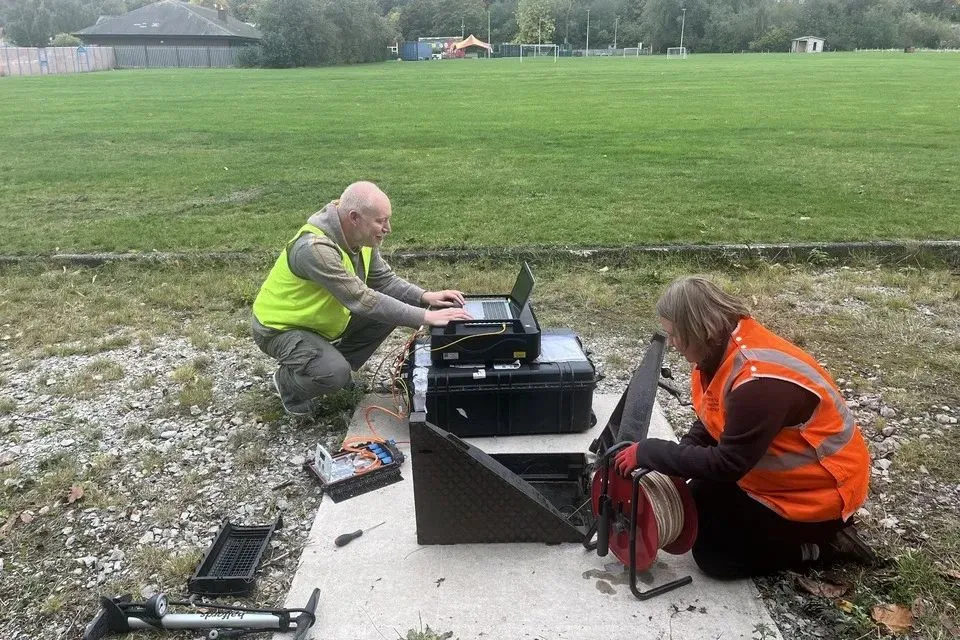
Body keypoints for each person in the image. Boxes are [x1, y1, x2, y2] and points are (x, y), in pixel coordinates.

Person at [615, 276, 874, 579]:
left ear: (701, 330)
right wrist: (681, 457)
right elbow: (713, 419)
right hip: (773, 478)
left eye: (676, 335)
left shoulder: (758, 385)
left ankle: (821, 546)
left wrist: (651, 452)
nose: (671, 344)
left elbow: (728, 464)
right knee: (692, 508)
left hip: (818, 494)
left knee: (716, 557)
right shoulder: (717, 354)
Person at [251, 181, 472, 416]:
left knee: (387, 314)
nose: (388, 228)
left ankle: (331, 366)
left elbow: (384, 281)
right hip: (279, 328)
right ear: (354, 217)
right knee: (334, 373)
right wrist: (426, 316)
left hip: (318, 324)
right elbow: (362, 299)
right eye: (380, 221)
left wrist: (425, 296)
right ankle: (289, 384)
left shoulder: (359, 237)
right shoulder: (314, 249)